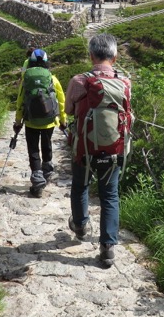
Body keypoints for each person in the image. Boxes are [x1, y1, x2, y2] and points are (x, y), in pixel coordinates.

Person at [64, 33, 132, 268]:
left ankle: (81, 225)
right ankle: (107, 248)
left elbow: (69, 111)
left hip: (83, 147)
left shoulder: (79, 81)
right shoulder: (125, 83)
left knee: (80, 185)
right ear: (114, 57)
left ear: (91, 55)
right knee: (110, 195)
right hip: (113, 150)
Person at [14, 49, 67, 198]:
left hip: (31, 121)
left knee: (33, 149)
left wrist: (18, 122)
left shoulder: (26, 79)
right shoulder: (52, 78)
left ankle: (37, 181)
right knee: (46, 143)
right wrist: (63, 120)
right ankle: (47, 171)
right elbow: (61, 101)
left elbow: (20, 102)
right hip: (49, 121)